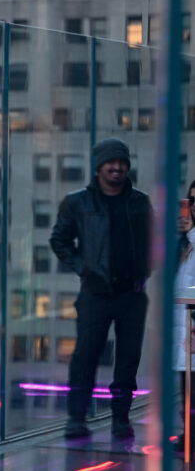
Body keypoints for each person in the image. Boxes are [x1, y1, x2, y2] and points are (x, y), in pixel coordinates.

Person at [49, 137, 152, 440]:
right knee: (85, 357)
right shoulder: (78, 202)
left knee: (128, 360)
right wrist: (85, 268)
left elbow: (153, 241)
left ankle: (121, 419)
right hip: (95, 294)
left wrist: (145, 269)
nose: (117, 168)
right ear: (99, 167)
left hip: (133, 294)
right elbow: (59, 241)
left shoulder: (139, 201)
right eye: (111, 163)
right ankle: (76, 418)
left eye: (122, 162)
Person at [173, 180, 195, 451]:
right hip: (184, 322)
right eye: (192, 200)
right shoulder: (187, 239)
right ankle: (188, 432)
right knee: (188, 383)